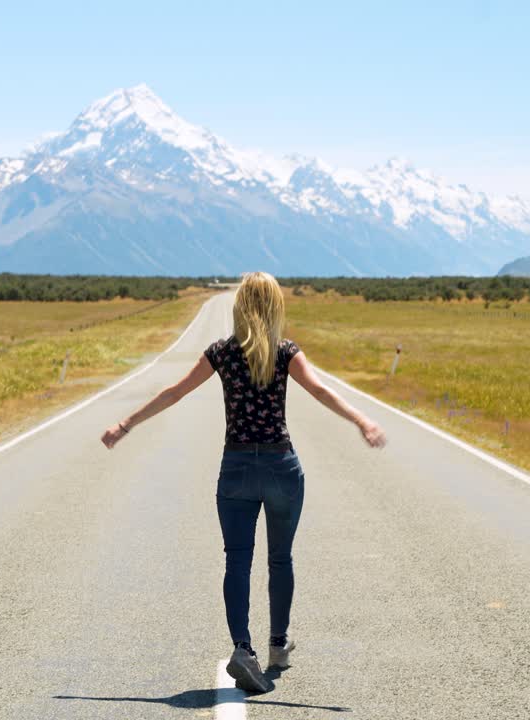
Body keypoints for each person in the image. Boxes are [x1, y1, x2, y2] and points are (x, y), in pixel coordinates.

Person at [100, 271, 386, 692]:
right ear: (275, 307)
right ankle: (277, 645)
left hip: (235, 467)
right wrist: (362, 420)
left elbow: (175, 392)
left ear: (238, 306)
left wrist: (126, 424)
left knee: (237, 559)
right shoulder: (286, 352)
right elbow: (321, 391)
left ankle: (242, 648)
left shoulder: (221, 353)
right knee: (280, 558)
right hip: (280, 466)